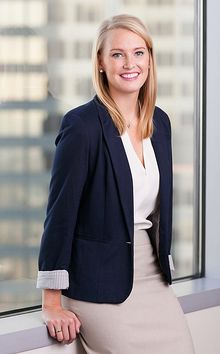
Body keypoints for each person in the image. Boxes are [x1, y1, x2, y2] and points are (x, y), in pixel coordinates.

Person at [36, 14, 195, 354]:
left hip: (153, 278)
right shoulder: (82, 126)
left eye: (138, 53)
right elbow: (60, 215)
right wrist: (51, 302)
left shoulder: (161, 124)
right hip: (99, 284)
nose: (129, 63)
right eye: (117, 54)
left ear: (150, 60)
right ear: (101, 63)